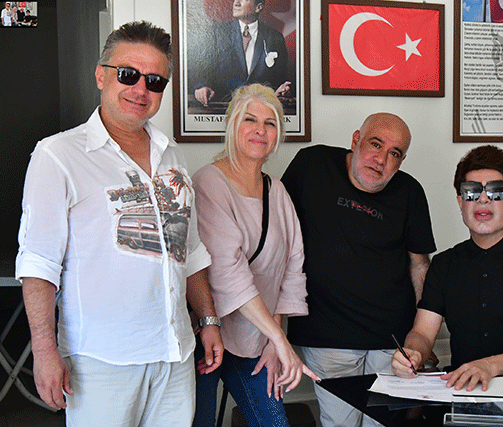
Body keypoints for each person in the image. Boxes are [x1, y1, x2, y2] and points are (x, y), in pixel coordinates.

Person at [16, 21, 223, 426]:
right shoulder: (58, 155)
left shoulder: (172, 155)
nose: (140, 89)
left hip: (175, 353)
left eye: (155, 81)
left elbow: (190, 250)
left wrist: (208, 320)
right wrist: (43, 350)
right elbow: (39, 262)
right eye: (128, 74)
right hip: (101, 361)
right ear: (101, 75)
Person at [281, 113, 437, 427]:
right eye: (375, 144)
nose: (381, 160)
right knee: (341, 422)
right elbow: (277, 232)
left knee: (381, 422)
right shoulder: (312, 165)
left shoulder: (410, 192)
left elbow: (419, 265)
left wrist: (424, 337)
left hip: (392, 337)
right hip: (327, 334)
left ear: (401, 161)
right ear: (356, 140)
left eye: (394, 153)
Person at [191, 83, 319, 427]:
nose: (260, 130)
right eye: (250, 119)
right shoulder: (208, 183)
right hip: (207, 336)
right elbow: (227, 273)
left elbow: (292, 268)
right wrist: (280, 339)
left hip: (257, 340)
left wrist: (273, 340)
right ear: (232, 125)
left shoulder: (277, 191)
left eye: (270, 123)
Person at [392, 145, 503, 393]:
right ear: (460, 202)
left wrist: (489, 366)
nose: (483, 199)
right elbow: (422, 333)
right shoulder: (444, 264)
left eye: (496, 191)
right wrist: (413, 353)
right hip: (461, 390)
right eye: (471, 192)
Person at [190, 0, 290, 106]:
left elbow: (279, 79)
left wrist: (280, 90)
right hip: (222, 106)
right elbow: (200, 67)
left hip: (259, 106)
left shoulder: (275, 38)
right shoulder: (217, 33)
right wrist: (201, 86)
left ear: (258, 7)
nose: (236, 3)